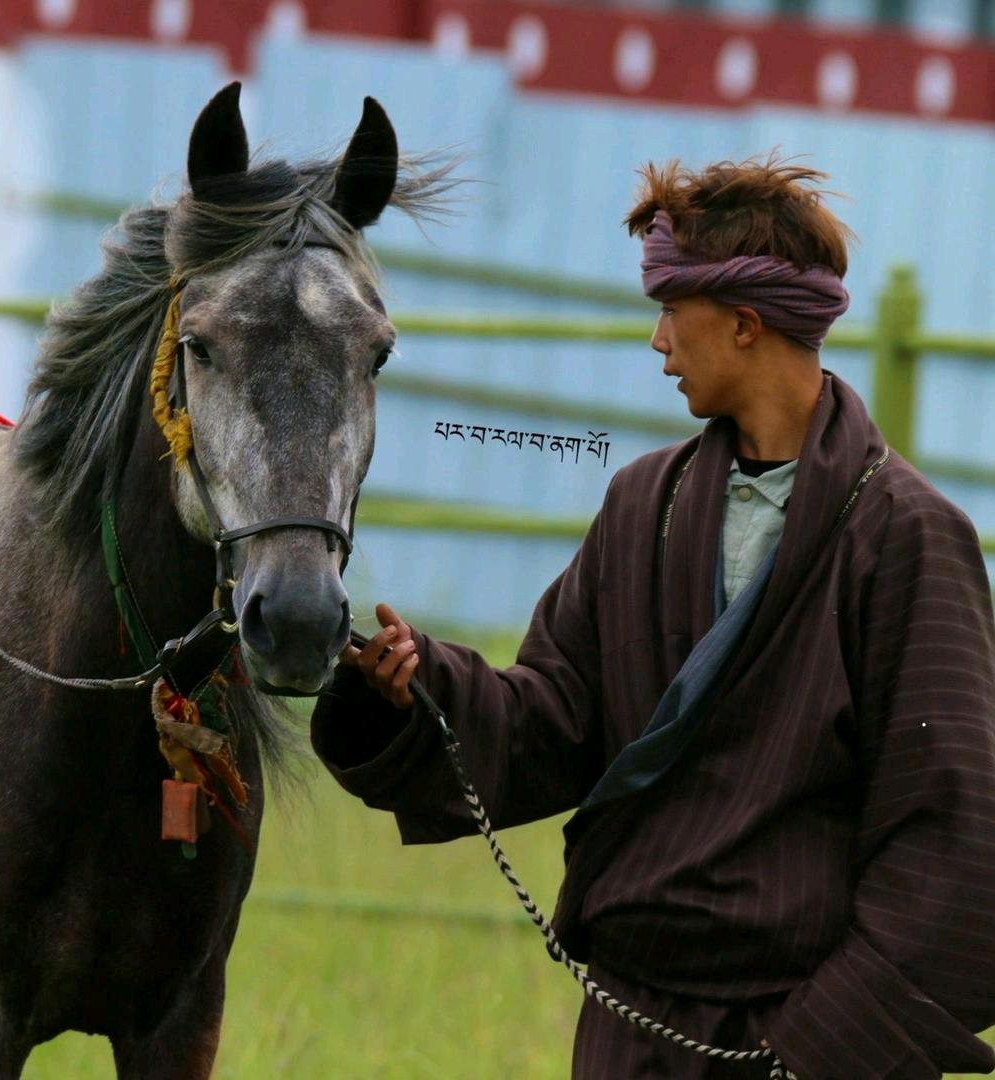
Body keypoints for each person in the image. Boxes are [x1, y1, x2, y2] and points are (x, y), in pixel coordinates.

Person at [310, 158, 995, 1079]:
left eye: (674, 310)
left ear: (745, 325)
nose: (658, 340)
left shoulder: (908, 537)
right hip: (634, 1033)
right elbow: (553, 718)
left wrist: (817, 1048)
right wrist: (418, 687)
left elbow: (953, 843)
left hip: (806, 1037)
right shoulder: (643, 506)